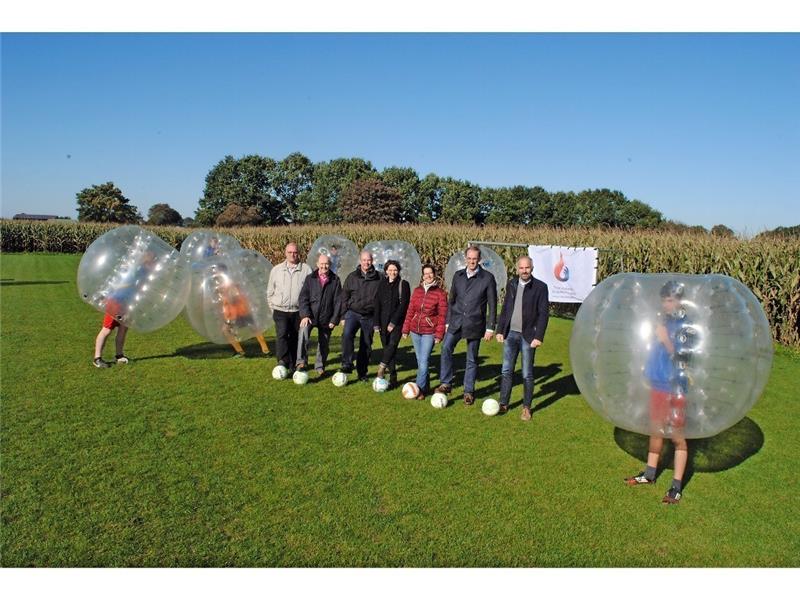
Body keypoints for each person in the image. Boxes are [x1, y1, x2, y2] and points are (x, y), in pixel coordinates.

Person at [625, 281, 692, 504]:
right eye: (664, 300)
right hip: (658, 384)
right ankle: (650, 474)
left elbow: (684, 359)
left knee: (677, 436)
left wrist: (666, 340)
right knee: (655, 430)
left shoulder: (686, 326)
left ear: (680, 301)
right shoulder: (662, 321)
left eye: (671, 300)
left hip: (675, 387)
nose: (666, 304)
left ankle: (676, 486)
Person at [435, 246, 497, 405]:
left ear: (479, 259)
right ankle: (446, 383)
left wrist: (490, 327)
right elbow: (452, 300)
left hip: (475, 323)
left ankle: (468, 391)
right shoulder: (458, 275)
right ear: (465, 259)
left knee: (471, 359)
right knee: (446, 348)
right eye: (469, 258)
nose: (472, 261)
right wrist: (448, 321)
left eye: (474, 259)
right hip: (456, 321)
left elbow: (492, 303)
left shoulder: (487, 278)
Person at [495, 256, 549, 421]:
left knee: (527, 374)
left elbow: (543, 314)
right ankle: (503, 403)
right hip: (510, 334)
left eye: (527, 268)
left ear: (531, 268)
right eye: (521, 268)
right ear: (517, 269)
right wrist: (500, 330)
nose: (524, 271)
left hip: (528, 336)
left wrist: (538, 336)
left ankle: (526, 407)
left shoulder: (540, 287)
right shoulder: (512, 284)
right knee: (506, 371)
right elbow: (505, 309)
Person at [92, 251, 156, 368]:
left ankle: (119, 355)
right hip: (116, 301)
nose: (154, 263)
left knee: (123, 329)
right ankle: (97, 358)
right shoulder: (136, 270)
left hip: (127, 303)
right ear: (146, 260)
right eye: (152, 260)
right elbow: (120, 283)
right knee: (106, 329)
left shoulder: (145, 272)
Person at [402, 264, 448, 399]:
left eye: (430, 273)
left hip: (429, 332)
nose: (428, 276)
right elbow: (410, 310)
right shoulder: (417, 291)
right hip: (415, 330)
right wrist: (405, 329)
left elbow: (442, 315)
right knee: (421, 360)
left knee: (423, 361)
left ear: (434, 274)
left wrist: (439, 334)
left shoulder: (440, 293)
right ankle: (426, 387)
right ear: (422, 276)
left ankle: (419, 390)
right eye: (425, 273)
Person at [267, 242, 312, 372]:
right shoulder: (276, 270)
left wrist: (306, 311)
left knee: (295, 338)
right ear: (285, 253)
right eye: (290, 252)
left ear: (299, 253)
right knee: (281, 335)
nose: (293, 255)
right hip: (280, 310)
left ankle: (294, 364)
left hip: (298, 311)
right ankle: (282, 362)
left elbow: (310, 291)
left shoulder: (306, 269)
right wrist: (273, 308)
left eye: (295, 252)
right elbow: (270, 291)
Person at [296, 253, 342, 376]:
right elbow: (303, 298)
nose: (324, 266)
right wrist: (305, 315)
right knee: (303, 333)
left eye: (326, 264)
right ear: (317, 264)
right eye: (321, 264)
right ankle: (301, 362)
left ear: (330, 265)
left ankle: (320, 366)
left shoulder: (335, 280)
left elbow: (338, 302)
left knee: (324, 343)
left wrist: (334, 319)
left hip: (326, 318)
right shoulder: (310, 278)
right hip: (310, 316)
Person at [340, 251, 382, 381]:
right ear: (360, 261)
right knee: (347, 334)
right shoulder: (352, 277)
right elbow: (344, 297)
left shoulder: (379, 278)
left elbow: (382, 299)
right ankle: (347, 363)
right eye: (364, 260)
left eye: (368, 260)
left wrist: (378, 319)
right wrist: (342, 316)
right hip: (353, 313)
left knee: (366, 344)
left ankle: (362, 372)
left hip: (369, 316)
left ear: (372, 260)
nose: (366, 263)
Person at [216, 265, 270, 358]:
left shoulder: (228, 284)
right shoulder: (229, 283)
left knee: (226, 330)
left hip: (237, 312)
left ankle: (240, 352)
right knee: (254, 328)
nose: (215, 274)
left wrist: (228, 316)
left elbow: (232, 299)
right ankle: (266, 350)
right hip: (243, 310)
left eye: (217, 272)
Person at [373, 260, 411, 388]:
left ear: (398, 271)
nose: (392, 272)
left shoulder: (403, 284)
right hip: (383, 322)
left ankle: (381, 368)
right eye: (390, 270)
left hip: (397, 322)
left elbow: (404, 305)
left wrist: (393, 322)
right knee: (388, 350)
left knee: (393, 345)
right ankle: (393, 376)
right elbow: (377, 303)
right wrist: (376, 323)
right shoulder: (381, 284)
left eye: (395, 270)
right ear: (386, 271)